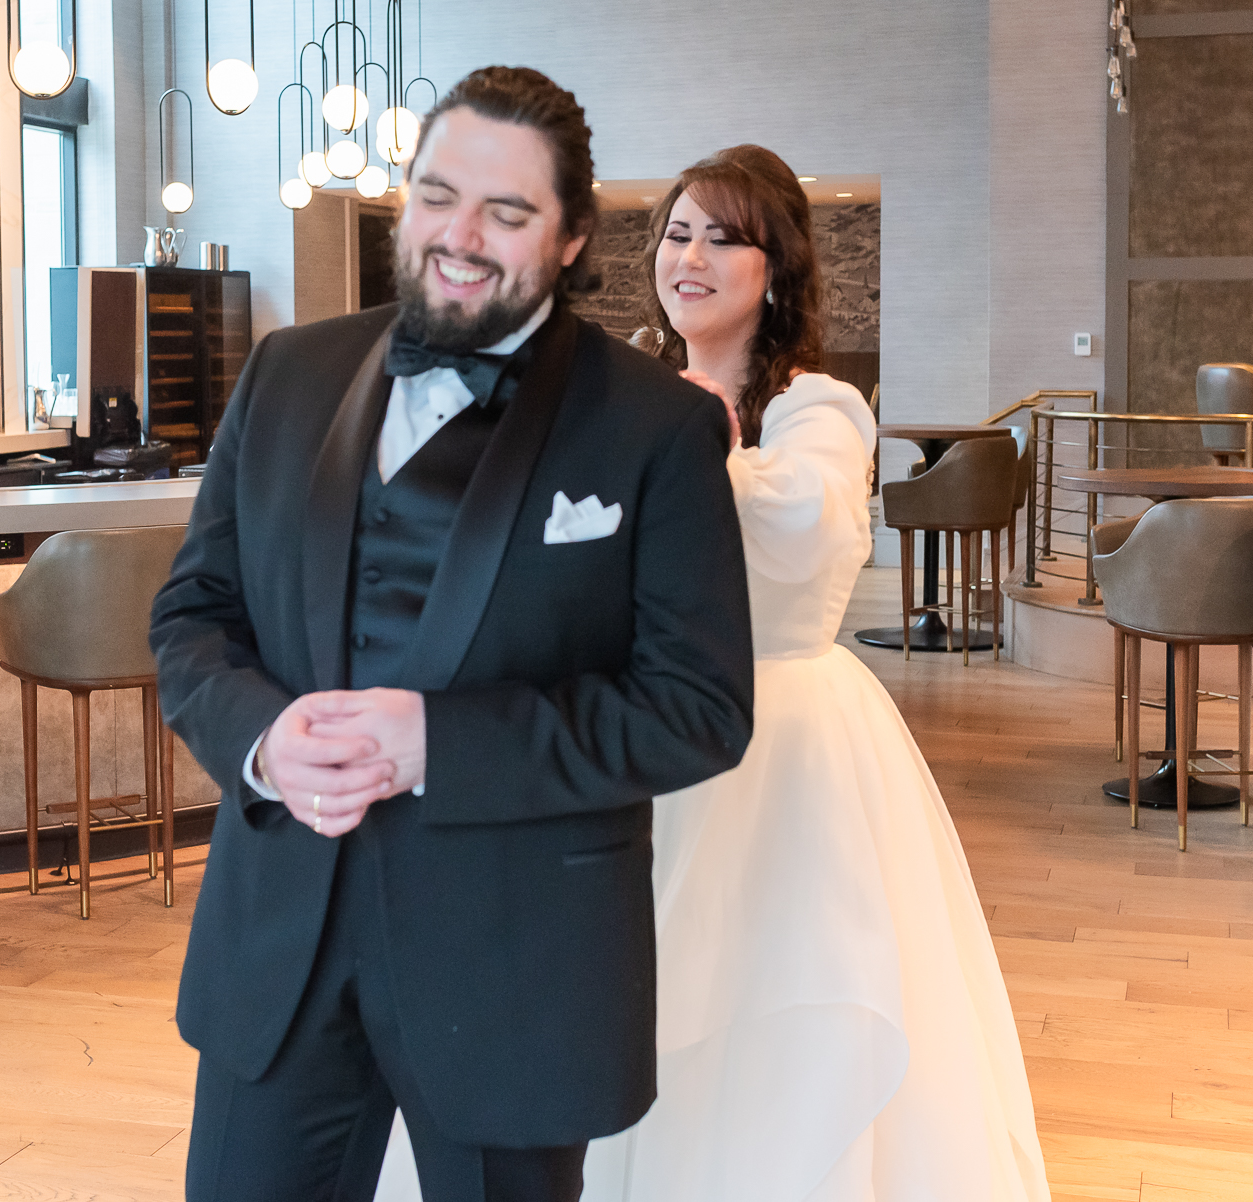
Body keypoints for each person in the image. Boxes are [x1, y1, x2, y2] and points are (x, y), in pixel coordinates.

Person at [381, 146, 1050, 1201]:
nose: (691, 255)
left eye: (724, 236)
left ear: (775, 268)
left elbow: (810, 525)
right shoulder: (626, 386)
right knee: (623, 997)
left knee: (772, 1004)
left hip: (785, 740)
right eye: (678, 232)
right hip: (638, 730)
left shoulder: (818, 405)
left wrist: (684, 440)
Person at [149, 68, 755, 1202]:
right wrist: (262, 740)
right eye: (435, 195)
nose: (458, 236)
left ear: (573, 236)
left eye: (507, 213)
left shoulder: (657, 427)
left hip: (517, 962)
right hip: (280, 944)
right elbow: (193, 614)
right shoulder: (285, 373)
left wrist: (442, 741)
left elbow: (698, 706)